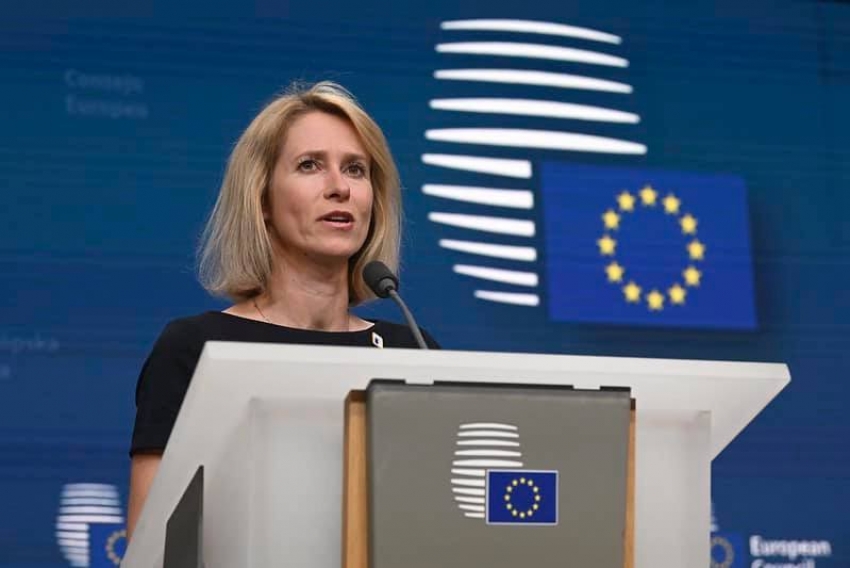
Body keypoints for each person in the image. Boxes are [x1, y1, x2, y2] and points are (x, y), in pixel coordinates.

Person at [126, 81, 438, 540]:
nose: (340, 188)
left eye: (356, 170)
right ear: (262, 198)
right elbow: (152, 547)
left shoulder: (411, 350)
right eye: (310, 165)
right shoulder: (196, 349)